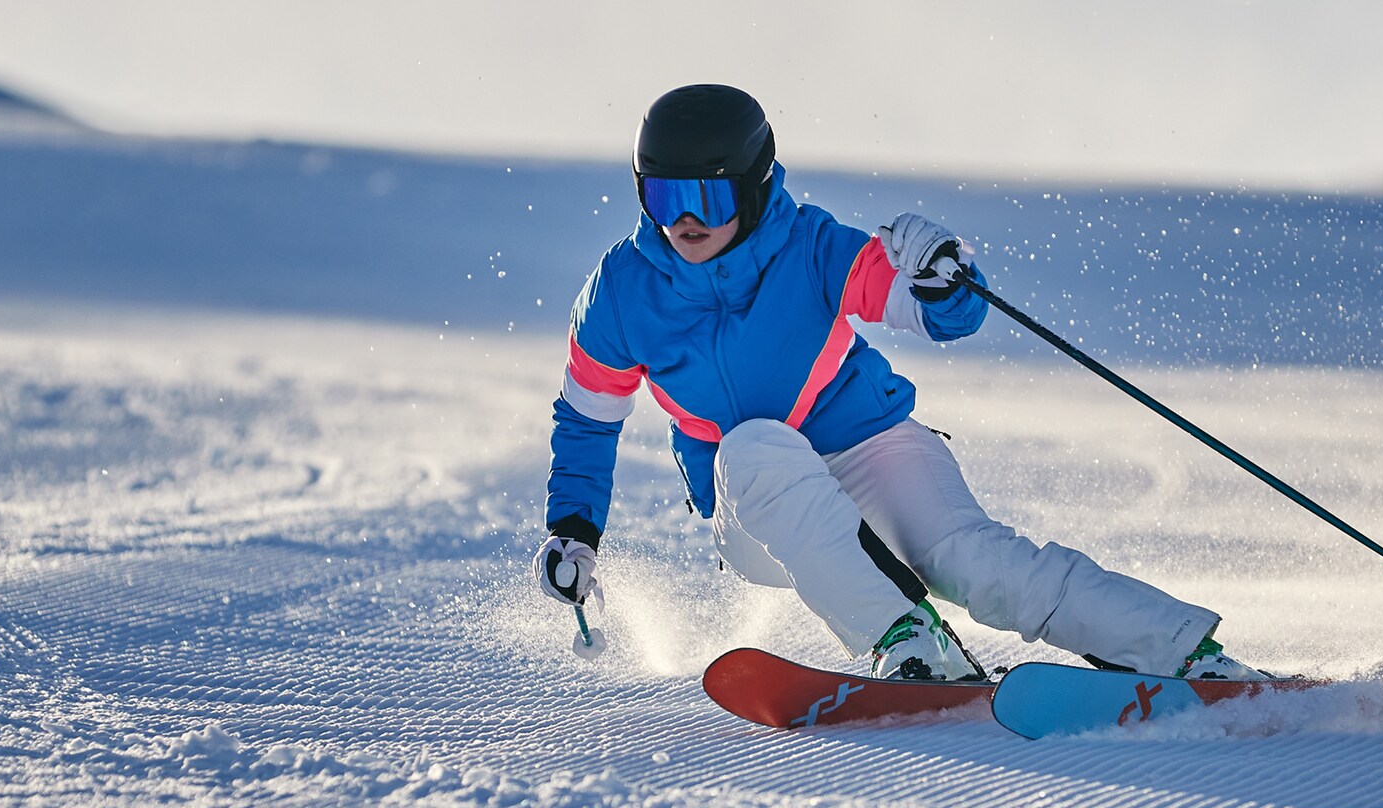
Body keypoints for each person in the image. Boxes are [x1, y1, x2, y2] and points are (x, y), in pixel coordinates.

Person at [534, 84, 1271, 682]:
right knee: (753, 447)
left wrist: (943, 278)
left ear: (753, 191)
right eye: (666, 199)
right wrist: (574, 531)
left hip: (873, 450)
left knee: (973, 559)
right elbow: (588, 418)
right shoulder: (623, 293)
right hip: (759, 509)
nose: (686, 221)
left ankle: (1187, 653)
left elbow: (930, 312)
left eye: (710, 198)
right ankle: (910, 638)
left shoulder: (812, 246)